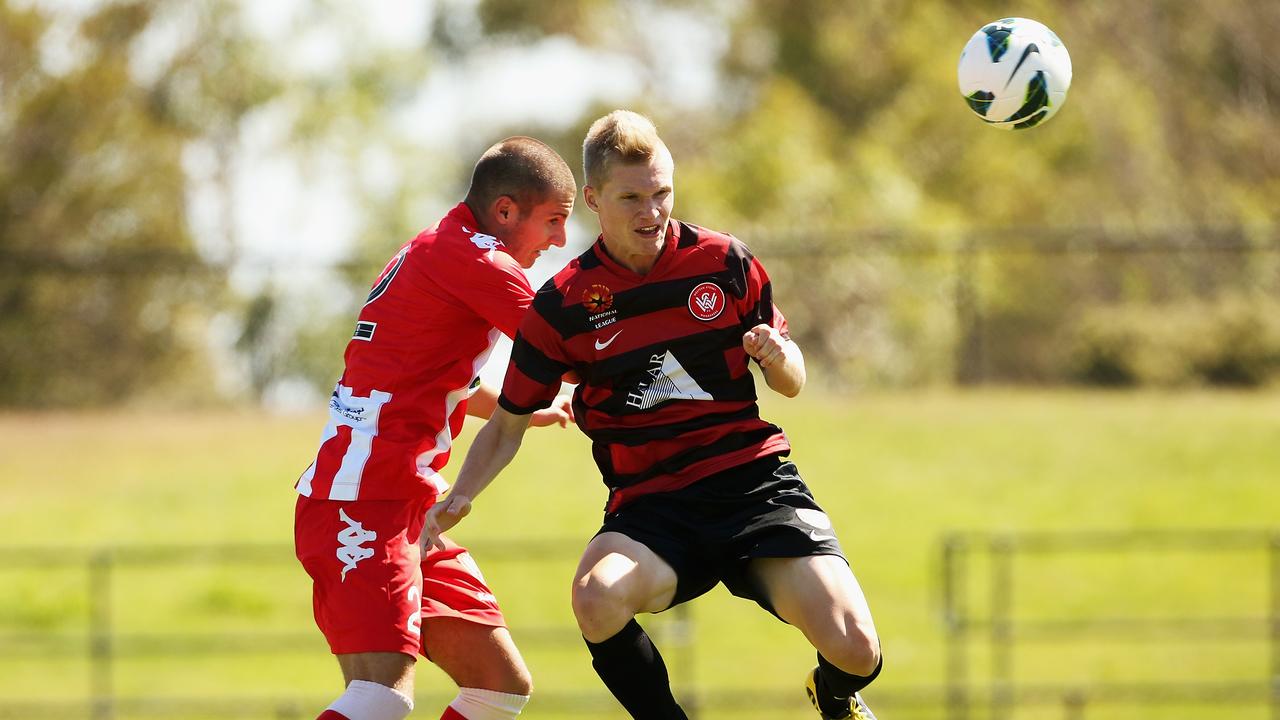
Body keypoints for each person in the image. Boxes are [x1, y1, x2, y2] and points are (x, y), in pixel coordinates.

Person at [423, 110, 882, 719]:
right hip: (652, 506)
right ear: (593, 199)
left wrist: (779, 356)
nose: (651, 211)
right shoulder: (562, 304)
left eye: (661, 192)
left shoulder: (724, 262)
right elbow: (508, 421)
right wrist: (461, 495)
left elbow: (791, 383)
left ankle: (833, 694)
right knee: (595, 595)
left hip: (754, 489)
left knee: (858, 649)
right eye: (631, 197)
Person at [294, 136, 577, 720]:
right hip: (365, 497)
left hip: (405, 501)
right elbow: (566, 351)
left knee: (498, 686)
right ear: (505, 212)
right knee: (380, 698)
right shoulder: (479, 261)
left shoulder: (441, 246)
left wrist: (518, 406)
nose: (560, 241)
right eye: (553, 221)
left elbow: (420, 376)